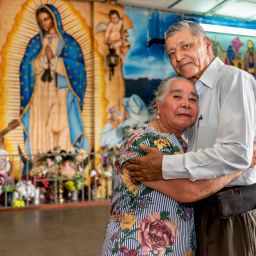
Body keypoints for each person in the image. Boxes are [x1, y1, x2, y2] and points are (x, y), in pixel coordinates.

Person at [126, 21, 256, 256]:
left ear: (207, 44)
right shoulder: (198, 92)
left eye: (186, 46)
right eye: (172, 53)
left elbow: (237, 154)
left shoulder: (232, 80)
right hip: (202, 207)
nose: (178, 57)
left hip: (231, 209)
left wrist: (165, 165)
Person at [102, 76, 242, 256]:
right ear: (158, 104)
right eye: (177, 97)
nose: (186, 104)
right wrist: (240, 165)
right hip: (136, 249)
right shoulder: (143, 142)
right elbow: (188, 191)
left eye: (193, 99)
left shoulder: (183, 147)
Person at [20, 4, 88, 156]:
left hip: (61, 91)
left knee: (62, 126)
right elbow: (26, 67)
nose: (44, 23)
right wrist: (42, 60)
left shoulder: (69, 42)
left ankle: (65, 163)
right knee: (41, 125)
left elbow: (79, 68)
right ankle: (41, 164)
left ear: (54, 18)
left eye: (46, 19)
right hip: (40, 91)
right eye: (40, 21)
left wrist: (56, 61)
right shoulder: (35, 43)